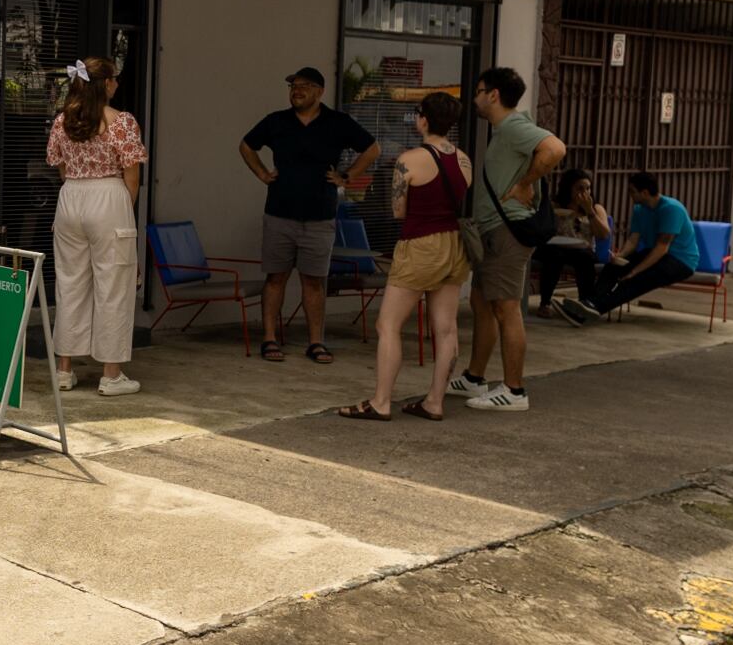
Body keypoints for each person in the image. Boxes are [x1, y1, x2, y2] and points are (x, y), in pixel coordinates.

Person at [335, 91, 472, 424]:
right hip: (455, 244)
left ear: (423, 119)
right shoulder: (464, 160)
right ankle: (435, 402)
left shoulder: (409, 160)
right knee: (446, 328)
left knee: (388, 324)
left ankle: (381, 401)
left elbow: (399, 211)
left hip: (419, 245)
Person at [238, 67, 377, 364]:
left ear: (319, 91)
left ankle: (316, 342)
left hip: (320, 215)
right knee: (276, 278)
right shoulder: (276, 121)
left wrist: (347, 176)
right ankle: (270, 338)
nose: (296, 90)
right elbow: (247, 146)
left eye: (304, 86)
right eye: (292, 86)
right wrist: (262, 173)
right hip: (279, 212)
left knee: (314, 281)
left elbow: (372, 148)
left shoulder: (337, 123)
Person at [449, 65, 566, 414]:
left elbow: (555, 149)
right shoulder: (505, 130)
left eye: (479, 91)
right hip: (495, 232)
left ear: (493, 95)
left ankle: (514, 389)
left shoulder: (515, 126)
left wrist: (527, 183)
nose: (475, 98)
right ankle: (474, 377)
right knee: (483, 303)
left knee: (506, 307)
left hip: (508, 232)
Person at [45, 56, 147, 396]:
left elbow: (60, 168)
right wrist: (120, 211)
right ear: (104, 84)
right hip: (108, 196)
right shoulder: (121, 122)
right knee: (113, 284)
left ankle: (64, 369)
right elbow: (131, 177)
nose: (117, 83)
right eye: (114, 78)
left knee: (70, 282)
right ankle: (111, 373)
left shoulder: (63, 121)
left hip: (70, 197)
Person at [569, 170, 699, 320]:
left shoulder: (671, 209)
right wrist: (620, 256)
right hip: (656, 253)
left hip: (680, 260)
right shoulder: (639, 209)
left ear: (644, 192)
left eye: (632, 191)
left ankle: (594, 309)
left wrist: (635, 271)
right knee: (613, 267)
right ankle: (587, 302)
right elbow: (633, 239)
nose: (630, 195)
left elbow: (662, 248)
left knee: (636, 280)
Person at [532, 166, 615, 316]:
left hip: (580, 249)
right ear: (568, 188)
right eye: (579, 188)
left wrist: (589, 212)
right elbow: (541, 230)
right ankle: (545, 303)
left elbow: (603, 235)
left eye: (588, 188)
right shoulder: (554, 205)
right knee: (554, 256)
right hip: (554, 247)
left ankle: (585, 303)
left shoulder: (596, 208)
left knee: (586, 257)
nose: (585, 192)